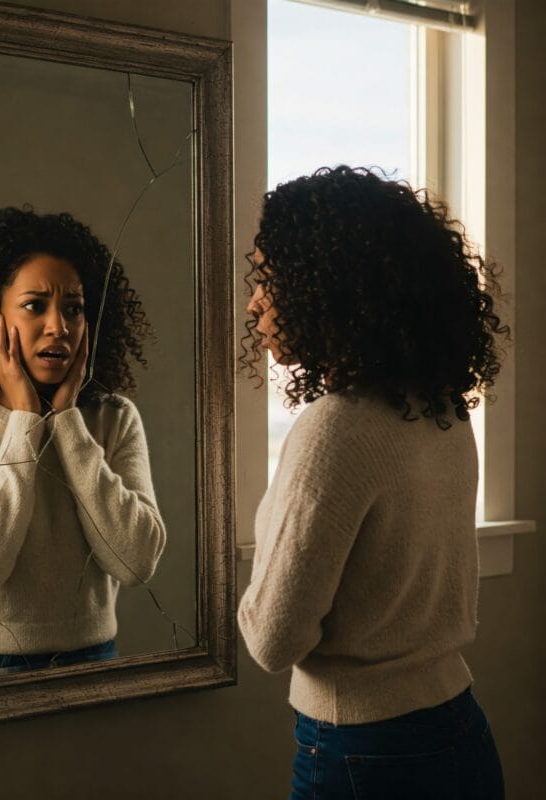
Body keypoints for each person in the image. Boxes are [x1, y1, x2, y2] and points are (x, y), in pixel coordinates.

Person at [238, 166, 507, 799]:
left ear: (324, 287)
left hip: (367, 755)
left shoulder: (334, 430)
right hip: (460, 731)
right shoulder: (442, 409)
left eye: (268, 278)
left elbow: (273, 640)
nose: (254, 301)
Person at [0, 206, 167, 682]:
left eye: (74, 308)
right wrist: (25, 420)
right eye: (35, 304)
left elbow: (135, 562)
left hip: (96, 663)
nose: (58, 326)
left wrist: (65, 422)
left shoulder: (113, 417)